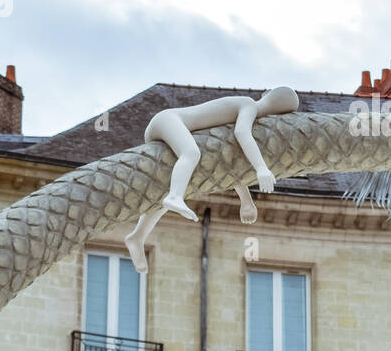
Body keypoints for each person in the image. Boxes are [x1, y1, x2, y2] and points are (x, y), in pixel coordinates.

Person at [123, 87, 299, 272]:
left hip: (167, 125)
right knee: (190, 153)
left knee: (166, 187)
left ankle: (137, 236)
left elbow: (229, 163)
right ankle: (175, 196)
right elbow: (242, 133)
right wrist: (261, 168)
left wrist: (246, 201)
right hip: (168, 120)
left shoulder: (236, 119)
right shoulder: (248, 104)